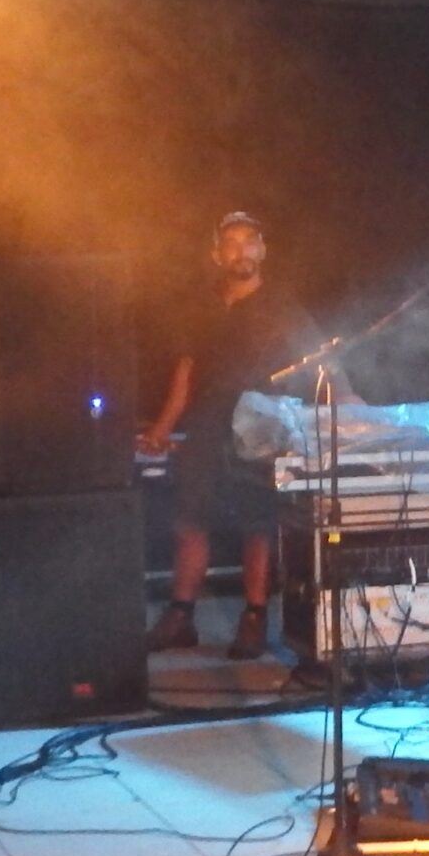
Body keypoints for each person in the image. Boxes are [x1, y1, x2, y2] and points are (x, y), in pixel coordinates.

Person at [140, 212, 322, 660]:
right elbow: (185, 374)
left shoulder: (282, 307)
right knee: (189, 520)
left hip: (259, 427)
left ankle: (254, 619)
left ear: (262, 250)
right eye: (231, 243)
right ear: (217, 255)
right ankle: (181, 617)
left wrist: (352, 402)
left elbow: (323, 361)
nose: (241, 250)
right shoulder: (202, 308)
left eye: (249, 241)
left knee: (257, 524)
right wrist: (162, 427)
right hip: (206, 424)